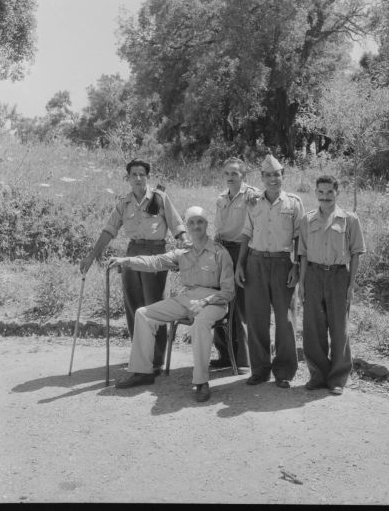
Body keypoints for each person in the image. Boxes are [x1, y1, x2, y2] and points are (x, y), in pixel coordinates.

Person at [108, 206, 235, 402]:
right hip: (188, 299)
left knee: (200, 323)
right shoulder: (182, 253)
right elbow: (155, 261)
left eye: (200, 221)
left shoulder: (220, 252)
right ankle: (143, 372)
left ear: (206, 225)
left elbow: (228, 292)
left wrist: (206, 301)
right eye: (191, 222)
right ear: (187, 227)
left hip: (214, 302)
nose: (196, 226)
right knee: (143, 314)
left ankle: (201, 382)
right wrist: (126, 261)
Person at [80, 159, 189, 374]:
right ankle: (140, 353)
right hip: (132, 253)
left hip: (156, 253)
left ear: (147, 177)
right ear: (128, 178)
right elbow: (109, 230)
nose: (138, 178)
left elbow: (177, 225)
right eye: (134, 175)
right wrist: (92, 255)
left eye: (142, 174)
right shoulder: (124, 203)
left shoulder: (160, 198)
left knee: (155, 305)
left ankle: (156, 360)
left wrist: (187, 246)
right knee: (133, 304)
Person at [235, 154, 305, 389]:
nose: (273, 179)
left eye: (277, 174)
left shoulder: (293, 203)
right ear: (262, 178)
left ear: (283, 175)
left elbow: (299, 239)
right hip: (255, 262)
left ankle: (284, 371)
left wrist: (296, 266)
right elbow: (247, 233)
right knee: (257, 318)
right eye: (268, 175)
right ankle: (260, 370)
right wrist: (240, 265)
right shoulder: (254, 202)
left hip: (282, 262)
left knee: (285, 320)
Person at [297, 175, 366, 395]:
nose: (325, 197)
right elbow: (303, 255)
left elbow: (356, 254)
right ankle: (318, 375)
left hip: (338, 276)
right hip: (314, 275)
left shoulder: (349, 220)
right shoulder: (307, 220)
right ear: (316, 193)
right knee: (313, 328)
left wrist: (351, 285)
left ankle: (337, 378)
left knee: (339, 328)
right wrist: (302, 284)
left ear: (337, 192)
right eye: (321, 192)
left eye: (330, 192)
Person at [212, 157, 260, 374]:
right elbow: (218, 227)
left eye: (235, 174)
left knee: (240, 305)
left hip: (241, 249)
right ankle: (224, 355)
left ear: (243, 176)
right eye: (227, 174)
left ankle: (244, 359)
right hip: (221, 250)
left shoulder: (252, 195)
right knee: (221, 302)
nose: (230, 178)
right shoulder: (221, 198)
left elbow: (254, 225)